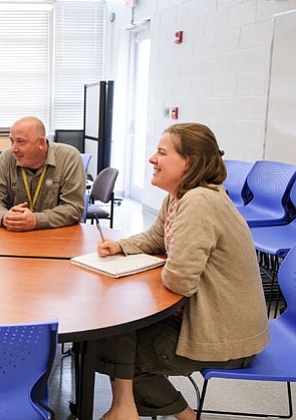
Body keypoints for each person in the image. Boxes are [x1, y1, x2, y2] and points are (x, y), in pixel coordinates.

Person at [95, 123, 269, 420]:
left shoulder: (200, 202)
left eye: (162, 153)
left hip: (225, 335)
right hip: (210, 319)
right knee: (115, 336)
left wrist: (151, 273)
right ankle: (129, 409)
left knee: (111, 350)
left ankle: (175, 416)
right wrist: (120, 247)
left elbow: (179, 280)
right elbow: (155, 238)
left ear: (189, 162)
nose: (152, 159)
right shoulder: (178, 197)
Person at [0, 116, 86, 231]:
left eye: (21, 142)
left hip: (56, 237)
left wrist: (36, 220)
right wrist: (4, 216)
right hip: (14, 238)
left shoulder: (69, 158)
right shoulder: (7, 158)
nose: (14, 149)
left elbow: (74, 208)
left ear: (41, 143)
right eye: (12, 141)